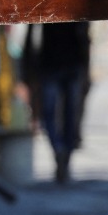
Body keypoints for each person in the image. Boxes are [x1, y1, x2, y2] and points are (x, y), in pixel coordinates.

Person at [22, 22, 91, 183]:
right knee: (62, 114)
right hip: (59, 65)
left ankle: (61, 151)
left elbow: (84, 36)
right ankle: (62, 152)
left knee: (55, 114)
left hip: (58, 65)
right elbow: (85, 38)